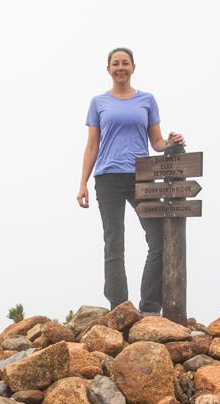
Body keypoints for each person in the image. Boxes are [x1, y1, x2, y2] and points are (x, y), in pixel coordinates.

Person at [77, 47, 185, 315]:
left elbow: (156, 142)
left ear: (133, 67)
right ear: (109, 69)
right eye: (115, 63)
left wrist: (171, 143)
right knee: (114, 242)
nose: (120, 67)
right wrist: (82, 183)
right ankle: (119, 307)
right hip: (107, 177)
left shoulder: (147, 100)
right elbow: (92, 146)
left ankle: (149, 307)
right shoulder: (98, 103)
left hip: (142, 175)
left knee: (158, 239)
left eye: (125, 63)